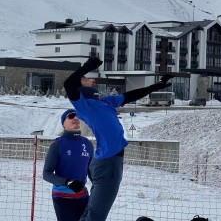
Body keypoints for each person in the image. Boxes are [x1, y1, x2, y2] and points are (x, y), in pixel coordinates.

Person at [64, 57, 173, 221]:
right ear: (80, 86)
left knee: (91, 213)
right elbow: (68, 84)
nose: (92, 80)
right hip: (107, 164)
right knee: (95, 216)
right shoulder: (84, 105)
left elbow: (131, 95)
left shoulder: (105, 102)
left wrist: (157, 85)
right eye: (86, 78)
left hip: (108, 163)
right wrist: (87, 66)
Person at [43, 109, 94, 221]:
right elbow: (46, 174)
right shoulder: (57, 144)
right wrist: (68, 182)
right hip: (62, 196)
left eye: (77, 116)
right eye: (71, 116)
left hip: (83, 196)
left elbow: (92, 172)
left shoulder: (88, 144)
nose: (76, 118)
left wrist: (99, 187)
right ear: (63, 124)